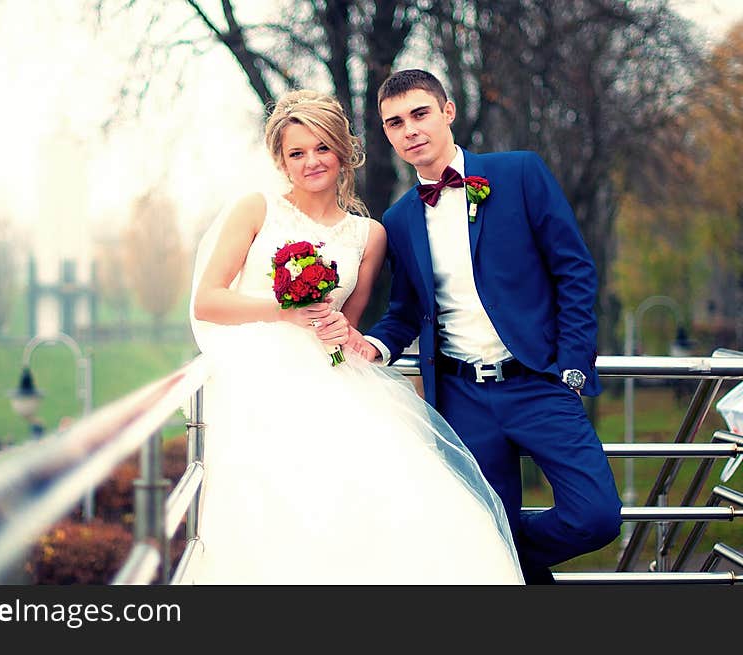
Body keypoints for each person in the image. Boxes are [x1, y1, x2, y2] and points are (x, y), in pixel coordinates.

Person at [186, 89, 523, 584]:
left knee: (383, 497)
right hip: (258, 379)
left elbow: (351, 323)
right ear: (280, 161)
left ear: (343, 151)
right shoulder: (255, 210)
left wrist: (338, 331)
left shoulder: (370, 235)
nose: (311, 162)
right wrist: (285, 311)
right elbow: (208, 301)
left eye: (321, 147)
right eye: (296, 153)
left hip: (333, 375)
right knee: (279, 504)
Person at [349, 69, 622, 584]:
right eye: (395, 122)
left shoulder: (519, 173)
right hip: (460, 399)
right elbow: (406, 311)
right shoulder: (400, 218)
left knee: (595, 517)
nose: (410, 129)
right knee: (485, 538)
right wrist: (374, 348)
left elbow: (575, 270)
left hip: (541, 383)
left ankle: (487, 546)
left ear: (448, 111)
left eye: (420, 113)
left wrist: (572, 367)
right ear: (386, 134)